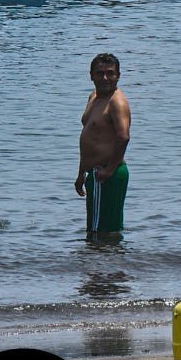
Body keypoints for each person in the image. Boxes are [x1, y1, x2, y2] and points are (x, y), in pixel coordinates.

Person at [75, 53, 131, 237]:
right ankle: (103, 264)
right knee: (96, 229)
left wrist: (109, 170)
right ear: (91, 75)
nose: (105, 78)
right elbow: (90, 137)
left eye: (110, 73)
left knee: (103, 232)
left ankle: (110, 264)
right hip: (96, 173)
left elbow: (123, 137)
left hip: (108, 173)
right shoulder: (94, 97)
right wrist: (81, 173)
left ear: (118, 76)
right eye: (100, 73)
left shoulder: (117, 102)